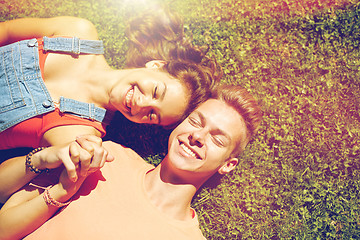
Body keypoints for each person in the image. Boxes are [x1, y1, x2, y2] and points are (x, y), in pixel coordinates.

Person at [0, 84, 262, 240]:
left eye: (217, 139)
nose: (197, 136)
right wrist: (49, 165)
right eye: (196, 121)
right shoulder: (106, 157)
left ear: (228, 164)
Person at [0, 7, 221, 150]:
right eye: (155, 91)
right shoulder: (78, 31)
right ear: (156, 65)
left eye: (153, 115)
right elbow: (8, 32)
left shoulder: (81, 133)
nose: (141, 105)